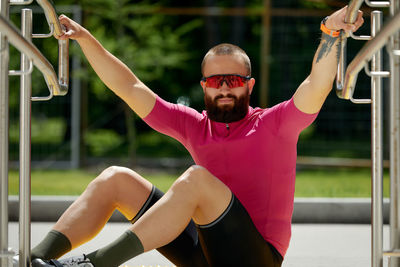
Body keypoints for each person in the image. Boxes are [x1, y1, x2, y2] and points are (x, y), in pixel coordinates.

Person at [14, 5, 363, 267]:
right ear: (203, 87)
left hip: (256, 258)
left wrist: (331, 32)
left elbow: (316, 84)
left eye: (234, 80)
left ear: (249, 86)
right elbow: (130, 86)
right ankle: (35, 260)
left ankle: (95, 264)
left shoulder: (276, 124)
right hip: (204, 255)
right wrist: (85, 39)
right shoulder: (194, 125)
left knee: (197, 180)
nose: (224, 88)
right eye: (215, 81)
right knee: (116, 179)